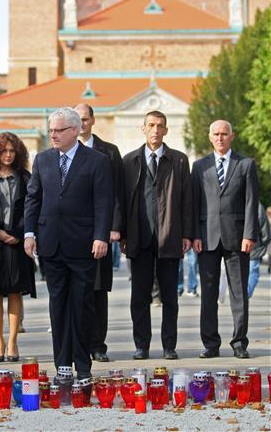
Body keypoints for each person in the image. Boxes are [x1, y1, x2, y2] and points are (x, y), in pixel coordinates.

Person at [24, 107, 113, 379]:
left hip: (83, 245)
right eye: (50, 130)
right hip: (51, 245)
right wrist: (29, 233)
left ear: (74, 130)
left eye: (59, 130)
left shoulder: (96, 160)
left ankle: (82, 364)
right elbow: (33, 198)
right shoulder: (42, 159)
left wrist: (101, 235)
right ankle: (62, 363)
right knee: (58, 306)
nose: (53, 135)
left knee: (82, 305)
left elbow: (103, 202)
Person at [122, 110, 193, 361]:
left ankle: (169, 345)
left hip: (169, 236)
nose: (155, 130)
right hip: (138, 238)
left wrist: (187, 233)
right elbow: (121, 201)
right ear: (143, 128)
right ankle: (141, 345)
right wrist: (121, 234)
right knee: (139, 296)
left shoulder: (179, 161)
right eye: (151, 125)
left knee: (169, 296)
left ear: (166, 130)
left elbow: (187, 200)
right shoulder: (129, 161)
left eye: (160, 125)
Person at [192, 120, 259, 359]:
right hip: (207, 237)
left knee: (239, 293)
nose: (220, 138)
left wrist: (249, 234)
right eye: (216, 134)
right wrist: (194, 235)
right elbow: (194, 203)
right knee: (208, 294)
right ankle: (210, 344)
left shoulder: (246, 164)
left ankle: (239, 342)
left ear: (232, 136)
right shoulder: (199, 166)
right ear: (210, 137)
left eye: (224, 134)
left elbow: (252, 202)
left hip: (237, 237)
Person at [0, 132, 36, 362]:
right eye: (4, 150)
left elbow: (32, 207)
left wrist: (19, 234)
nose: (8, 155)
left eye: (12, 151)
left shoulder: (26, 178)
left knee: (14, 290)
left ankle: (12, 342)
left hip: (18, 242)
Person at [75, 103, 124, 363]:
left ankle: (98, 345)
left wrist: (114, 226)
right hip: (72, 232)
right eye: (77, 119)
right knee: (76, 291)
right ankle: (78, 343)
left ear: (93, 120)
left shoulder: (109, 152)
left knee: (98, 290)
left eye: (85, 118)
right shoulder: (64, 151)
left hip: (101, 231)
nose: (81, 123)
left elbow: (117, 191)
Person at [248, 203, 270, 298]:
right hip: (254, 245)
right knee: (253, 273)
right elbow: (266, 232)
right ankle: (245, 296)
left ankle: (241, 296)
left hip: (237, 246)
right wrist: (262, 244)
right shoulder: (258, 206)